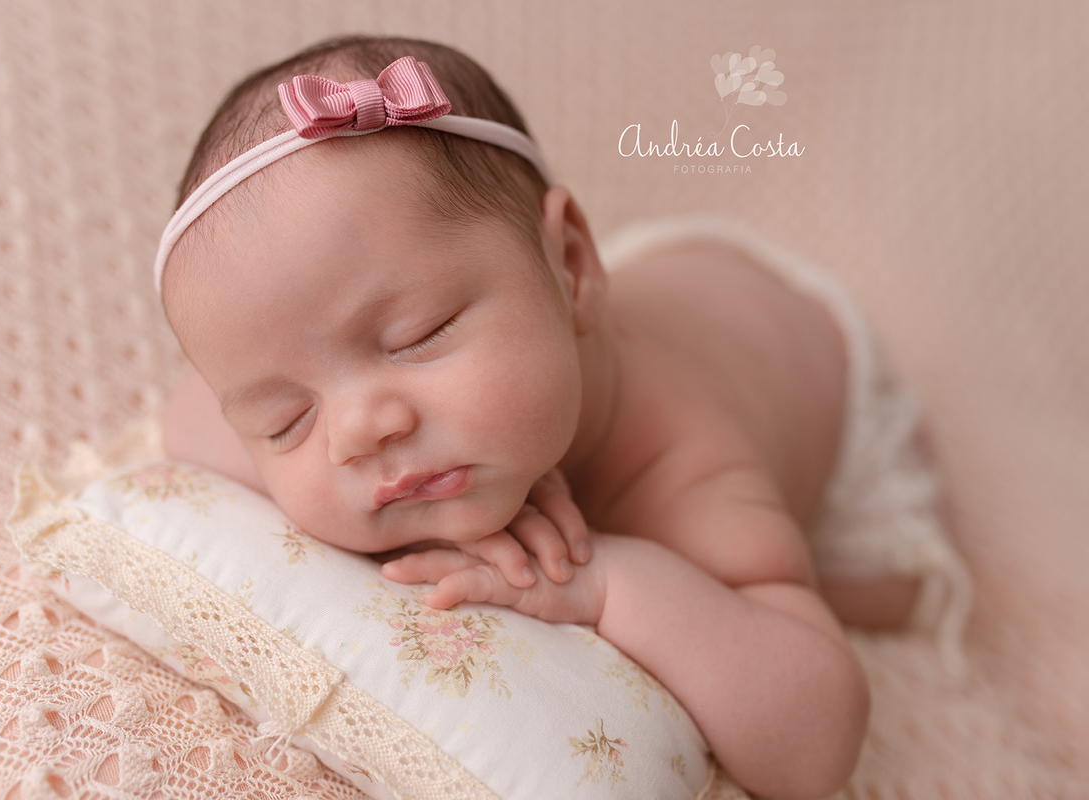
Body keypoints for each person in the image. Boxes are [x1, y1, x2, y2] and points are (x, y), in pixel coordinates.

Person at [156, 33, 929, 799]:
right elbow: (186, 423)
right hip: (573, 285)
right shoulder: (461, 319)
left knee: (888, 586)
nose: (359, 430)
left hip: (805, 350)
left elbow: (815, 746)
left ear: (572, 266)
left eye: (419, 335)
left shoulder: (686, 464)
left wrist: (607, 584)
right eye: (288, 419)